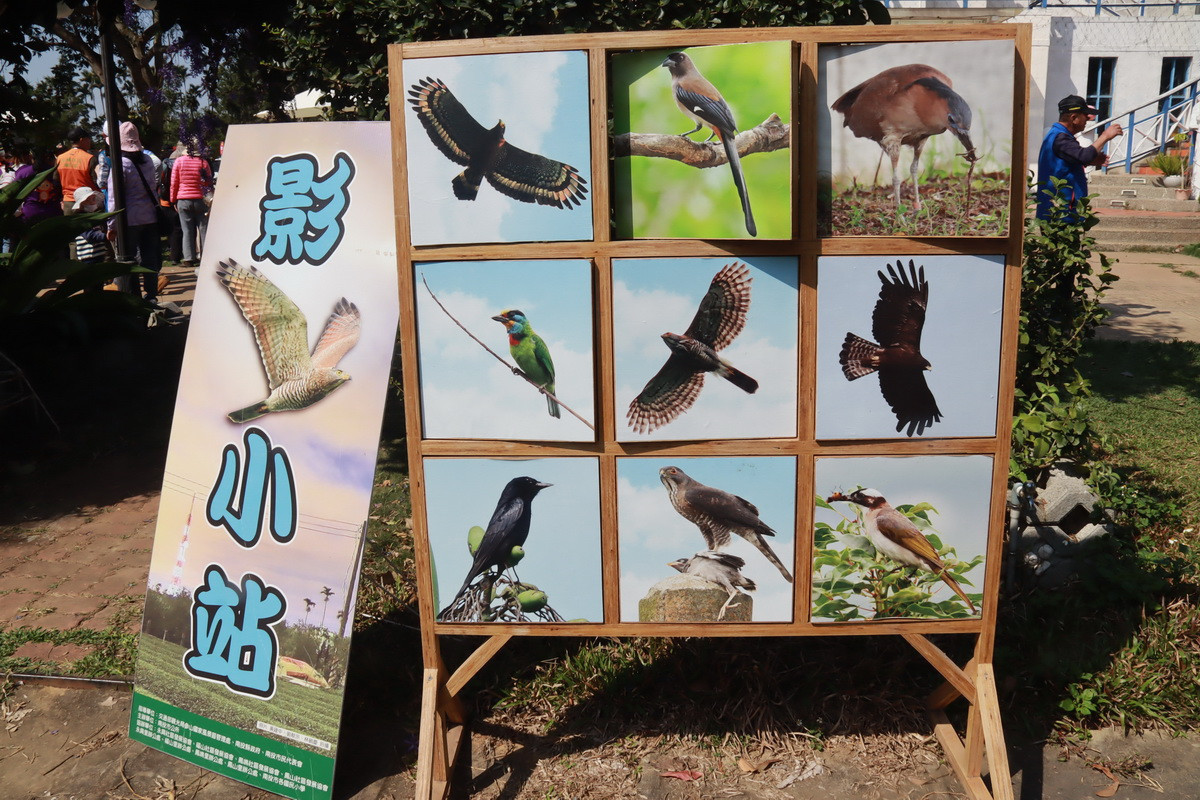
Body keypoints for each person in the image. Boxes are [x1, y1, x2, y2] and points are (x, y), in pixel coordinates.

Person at [1036, 95, 1124, 221]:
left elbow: (1072, 159)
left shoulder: (1057, 135)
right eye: (1085, 115)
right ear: (1074, 118)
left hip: (1058, 212)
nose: (1088, 118)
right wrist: (1105, 136)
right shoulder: (1061, 138)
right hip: (1061, 214)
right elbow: (1084, 156)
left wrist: (1091, 161)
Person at [107, 121, 163, 303]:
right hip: (150, 217)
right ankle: (152, 295)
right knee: (150, 258)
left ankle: (133, 296)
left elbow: (114, 198)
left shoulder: (120, 164)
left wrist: (111, 224)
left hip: (128, 220)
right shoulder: (148, 161)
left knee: (127, 259)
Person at [170, 137, 213, 268]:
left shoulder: (179, 162)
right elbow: (208, 182)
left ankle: (189, 258)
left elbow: (174, 183)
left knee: (187, 230)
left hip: (183, 199)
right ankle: (207, 257)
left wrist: (173, 200)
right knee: (204, 229)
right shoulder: (203, 162)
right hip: (201, 199)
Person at [56, 127, 100, 214]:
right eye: (88, 138)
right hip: (88, 203)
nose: (90, 141)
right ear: (81, 140)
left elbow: (56, 181)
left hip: (69, 203)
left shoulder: (60, 158)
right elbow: (97, 182)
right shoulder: (90, 158)